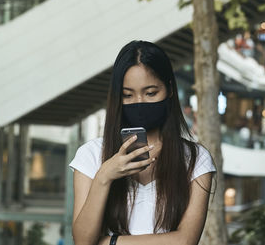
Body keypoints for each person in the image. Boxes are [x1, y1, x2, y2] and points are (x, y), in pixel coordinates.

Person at [69, 41, 216, 245]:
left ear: (170, 90)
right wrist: (104, 176)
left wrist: (109, 242)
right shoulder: (91, 155)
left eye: (150, 93)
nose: (139, 101)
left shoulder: (196, 159)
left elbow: (185, 241)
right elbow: (83, 241)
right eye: (128, 95)